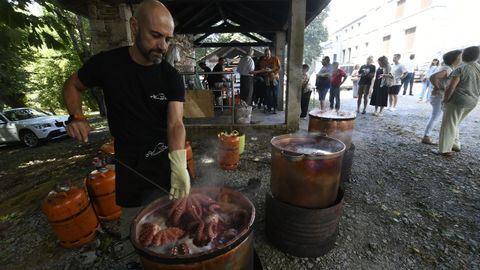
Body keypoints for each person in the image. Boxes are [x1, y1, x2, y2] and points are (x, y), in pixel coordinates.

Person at [62, 0, 190, 237]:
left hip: (166, 161)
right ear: (134, 26)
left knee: (178, 229)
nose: (163, 46)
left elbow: (175, 124)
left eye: (168, 39)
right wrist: (77, 116)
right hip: (129, 166)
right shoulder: (107, 64)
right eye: (155, 35)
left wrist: (179, 164)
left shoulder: (170, 77)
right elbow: (72, 85)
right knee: (139, 233)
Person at [435, 46, 480, 156]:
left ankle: (445, 150)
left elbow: (451, 87)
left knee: (448, 124)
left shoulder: (461, 68)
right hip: (472, 101)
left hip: (457, 100)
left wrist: (445, 100)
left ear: (465, 55)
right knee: (455, 122)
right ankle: (455, 144)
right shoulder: (478, 68)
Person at [422, 50, 462, 145]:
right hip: (439, 96)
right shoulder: (447, 69)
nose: (461, 59)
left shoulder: (448, 68)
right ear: (454, 59)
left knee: (436, 116)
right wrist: (437, 87)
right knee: (435, 116)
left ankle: (429, 136)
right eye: (460, 57)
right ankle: (426, 136)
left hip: (438, 96)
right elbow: (433, 77)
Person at [259, 48, 281, 114]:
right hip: (267, 80)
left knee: (275, 94)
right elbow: (262, 70)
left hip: (275, 79)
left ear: (270, 53)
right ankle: (269, 108)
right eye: (266, 54)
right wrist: (265, 71)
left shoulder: (275, 59)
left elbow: (279, 68)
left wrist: (273, 72)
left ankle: (275, 108)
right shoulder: (263, 61)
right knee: (268, 94)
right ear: (264, 54)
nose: (267, 55)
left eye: (268, 54)